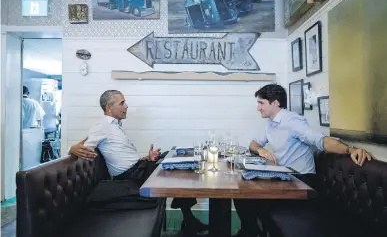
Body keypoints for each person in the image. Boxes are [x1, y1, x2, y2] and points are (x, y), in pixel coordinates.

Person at [233, 84, 372, 237]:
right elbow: (253, 143)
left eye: (261, 103)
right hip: (285, 178)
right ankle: (250, 231)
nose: (258, 108)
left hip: (302, 181)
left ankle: (250, 232)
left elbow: (322, 141)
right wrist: (261, 149)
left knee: (247, 195)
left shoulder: (293, 121)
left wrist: (350, 149)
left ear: (275, 103)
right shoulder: (270, 124)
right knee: (241, 192)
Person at [69, 90, 207, 236]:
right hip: (131, 177)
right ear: (109, 107)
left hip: (138, 169)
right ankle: (190, 221)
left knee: (173, 156)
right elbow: (82, 148)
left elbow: (124, 158)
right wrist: (71, 149)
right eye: (122, 103)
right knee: (177, 169)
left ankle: (189, 220)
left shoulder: (115, 126)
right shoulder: (102, 126)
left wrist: (147, 158)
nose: (126, 106)